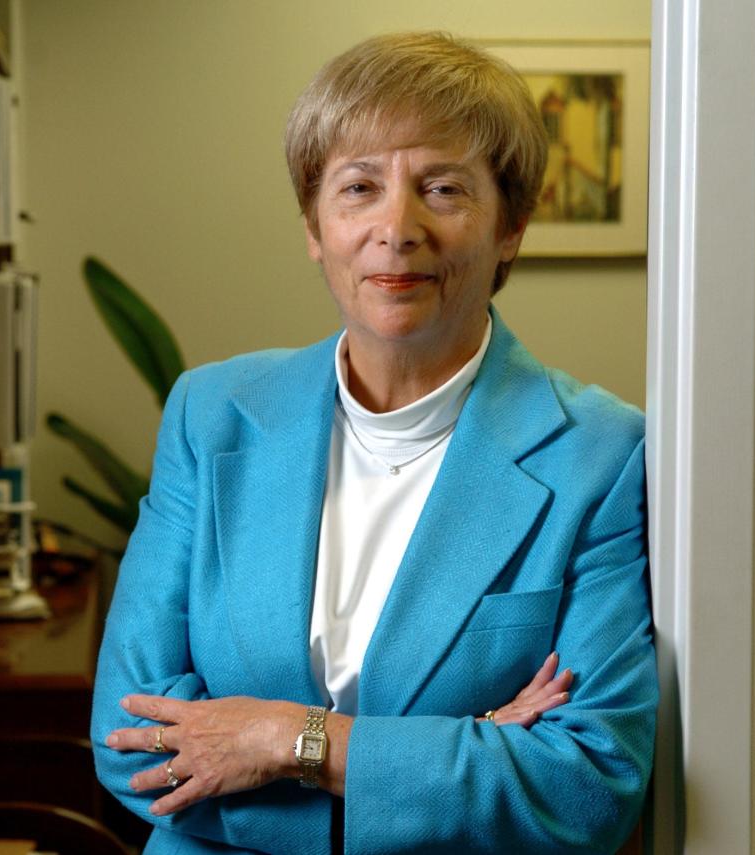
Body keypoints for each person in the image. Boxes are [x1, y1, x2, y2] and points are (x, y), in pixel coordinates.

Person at [92, 31, 657, 854]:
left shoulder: (602, 455)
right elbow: (130, 740)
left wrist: (288, 741)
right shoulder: (210, 414)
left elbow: (587, 783)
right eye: (359, 187)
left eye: (444, 189)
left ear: (511, 228)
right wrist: (454, 753)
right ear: (315, 228)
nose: (398, 227)